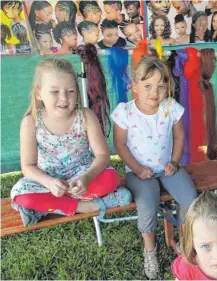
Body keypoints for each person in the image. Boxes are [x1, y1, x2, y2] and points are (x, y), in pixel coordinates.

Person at [10, 58, 132, 227]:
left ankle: (47, 207)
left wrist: (86, 178)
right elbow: (28, 166)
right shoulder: (31, 122)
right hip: (48, 179)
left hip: (82, 174)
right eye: (54, 92)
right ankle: (87, 206)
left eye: (70, 91)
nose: (64, 98)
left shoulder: (86, 116)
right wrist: (50, 183)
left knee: (111, 178)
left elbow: (103, 155)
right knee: (21, 195)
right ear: (39, 93)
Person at [112, 55, 197, 279]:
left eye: (161, 86)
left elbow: (179, 137)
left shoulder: (170, 107)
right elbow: (119, 145)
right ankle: (150, 249)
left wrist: (175, 162)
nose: (155, 92)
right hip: (139, 173)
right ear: (134, 86)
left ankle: (184, 241)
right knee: (148, 203)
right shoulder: (125, 112)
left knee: (190, 198)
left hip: (167, 168)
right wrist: (137, 169)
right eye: (148, 85)